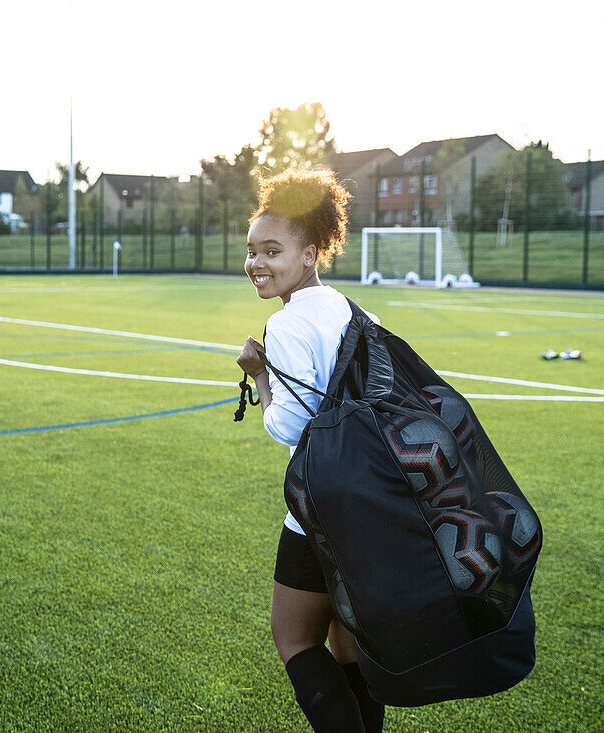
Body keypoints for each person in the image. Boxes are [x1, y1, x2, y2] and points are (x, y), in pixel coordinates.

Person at [235, 169, 384, 733]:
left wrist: (261, 375)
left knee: (295, 638)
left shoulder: (291, 325)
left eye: (272, 251)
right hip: (373, 504)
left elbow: (291, 427)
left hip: (320, 505)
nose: (257, 264)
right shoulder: (353, 311)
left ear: (312, 252)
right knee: (348, 645)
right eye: (251, 251)